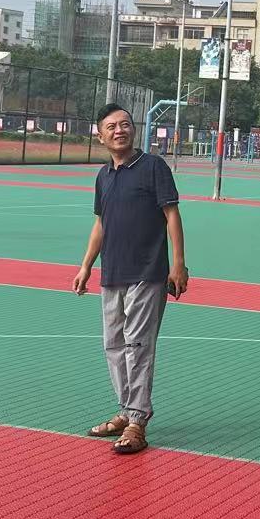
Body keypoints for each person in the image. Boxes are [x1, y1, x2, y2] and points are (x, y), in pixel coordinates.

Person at [73, 103, 188, 455]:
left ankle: (137, 421)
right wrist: (86, 265)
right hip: (113, 273)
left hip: (147, 272)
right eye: (111, 126)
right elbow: (101, 223)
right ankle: (126, 410)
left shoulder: (153, 167)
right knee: (113, 345)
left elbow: (172, 215)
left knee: (137, 345)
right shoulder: (104, 176)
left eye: (124, 124)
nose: (119, 130)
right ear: (100, 136)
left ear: (133, 129)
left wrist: (178, 264)